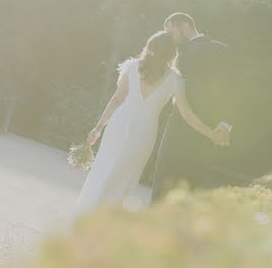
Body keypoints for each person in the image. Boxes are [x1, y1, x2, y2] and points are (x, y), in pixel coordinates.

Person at [74, 30, 230, 217]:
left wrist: (98, 128)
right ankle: (106, 220)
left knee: (104, 169)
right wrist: (211, 133)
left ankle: (86, 213)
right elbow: (187, 114)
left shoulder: (132, 67)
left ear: (149, 47)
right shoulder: (176, 80)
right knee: (126, 176)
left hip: (118, 124)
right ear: (172, 54)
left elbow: (116, 100)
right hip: (144, 133)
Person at [150, 12, 236, 201]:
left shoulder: (181, 56)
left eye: (171, 32)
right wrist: (225, 125)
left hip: (179, 130)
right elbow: (234, 92)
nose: (170, 39)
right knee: (191, 190)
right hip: (209, 133)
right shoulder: (225, 50)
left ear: (185, 25)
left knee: (163, 186)